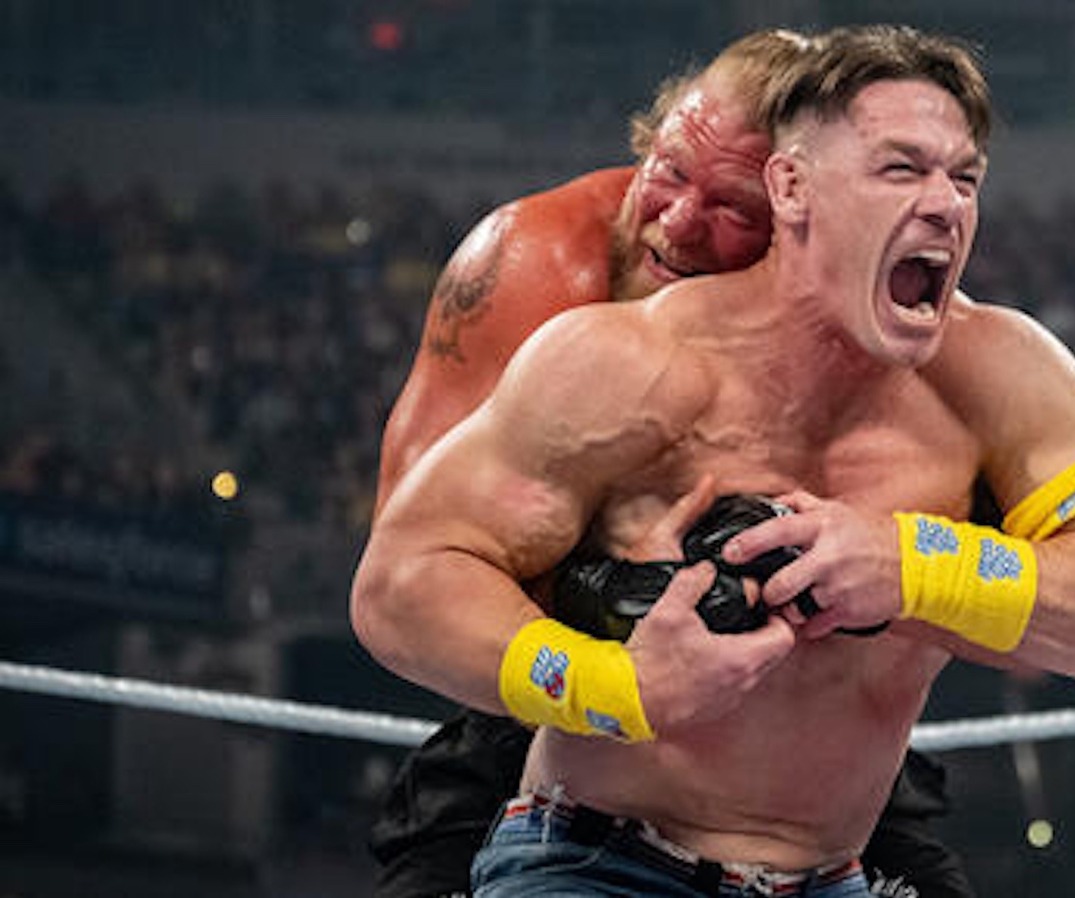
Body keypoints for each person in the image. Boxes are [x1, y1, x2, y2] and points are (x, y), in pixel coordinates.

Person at [352, 23, 1075, 897]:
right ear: (793, 188)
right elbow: (401, 580)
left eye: (963, 179)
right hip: (597, 860)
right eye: (901, 170)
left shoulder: (999, 374)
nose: (944, 205)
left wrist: (914, 563)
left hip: (834, 873)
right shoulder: (616, 350)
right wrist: (613, 677)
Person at [367, 29, 972, 898]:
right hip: (549, 719)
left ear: (799, 218)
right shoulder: (541, 263)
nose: (678, 220)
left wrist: (916, 568)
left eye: (731, 207)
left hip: (805, 761)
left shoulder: (883, 322)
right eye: (670, 169)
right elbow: (415, 555)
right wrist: (618, 614)